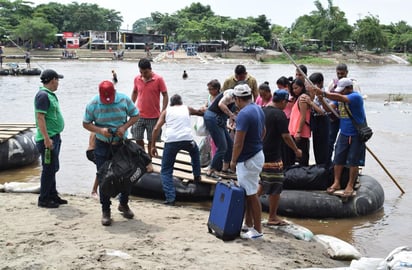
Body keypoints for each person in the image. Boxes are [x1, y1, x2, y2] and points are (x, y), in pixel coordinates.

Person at [83, 80, 139, 226]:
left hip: (121, 145)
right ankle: (106, 211)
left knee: (127, 176)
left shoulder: (123, 99)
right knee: (104, 178)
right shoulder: (93, 104)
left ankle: (123, 204)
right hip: (102, 144)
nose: (108, 101)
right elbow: (86, 123)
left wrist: (124, 127)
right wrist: (100, 131)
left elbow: (136, 115)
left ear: (114, 92)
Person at [315, 78, 367, 197]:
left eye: (342, 90)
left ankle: (350, 184)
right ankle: (336, 182)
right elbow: (329, 109)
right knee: (338, 158)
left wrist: (323, 93)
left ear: (349, 88)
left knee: (353, 161)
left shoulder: (355, 97)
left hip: (355, 134)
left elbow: (340, 98)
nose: (340, 93)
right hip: (343, 133)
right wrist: (321, 99)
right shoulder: (340, 98)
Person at [150, 94, 203, 205]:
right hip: (187, 140)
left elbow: (156, 129)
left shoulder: (166, 111)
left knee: (166, 171)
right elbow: (200, 113)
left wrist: (153, 146)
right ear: (181, 102)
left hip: (171, 142)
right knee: (195, 152)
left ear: (171, 103)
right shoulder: (186, 108)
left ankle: (170, 199)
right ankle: (197, 175)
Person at [259, 89, 302, 226]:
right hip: (272, 156)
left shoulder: (262, 111)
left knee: (262, 183)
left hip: (260, 153)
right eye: (286, 103)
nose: (286, 105)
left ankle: (247, 207)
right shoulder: (279, 115)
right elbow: (285, 136)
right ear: (283, 101)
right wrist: (296, 150)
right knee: (276, 186)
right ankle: (272, 217)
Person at [230, 84, 265, 239]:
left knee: (251, 194)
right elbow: (263, 131)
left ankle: (257, 230)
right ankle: (249, 224)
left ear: (237, 99)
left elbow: (238, 142)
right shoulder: (258, 108)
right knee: (250, 191)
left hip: (248, 158)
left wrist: (233, 160)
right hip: (257, 153)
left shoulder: (243, 114)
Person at [34, 69, 66, 208]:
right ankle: (44, 198)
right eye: (57, 80)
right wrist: (46, 139)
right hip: (48, 139)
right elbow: (40, 118)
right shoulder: (43, 96)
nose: (58, 83)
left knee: (53, 167)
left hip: (54, 136)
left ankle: (52, 194)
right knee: (48, 169)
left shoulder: (49, 95)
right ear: (53, 80)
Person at [131, 58, 168, 160]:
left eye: (145, 72)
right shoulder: (137, 79)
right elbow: (134, 92)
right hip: (139, 115)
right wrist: (130, 106)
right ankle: (143, 157)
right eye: (141, 72)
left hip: (154, 116)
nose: (143, 74)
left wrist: (163, 111)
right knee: (137, 137)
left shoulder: (158, 79)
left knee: (152, 140)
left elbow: (165, 95)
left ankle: (150, 158)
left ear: (150, 69)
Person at [326, 63, 361, 163]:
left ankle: (348, 165)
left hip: (349, 119)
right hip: (335, 116)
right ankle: (328, 163)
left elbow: (355, 101)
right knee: (330, 141)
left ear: (347, 73)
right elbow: (329, 101)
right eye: (338, 73)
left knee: (350, 146)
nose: (340, 75)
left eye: (342, 73)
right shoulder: (332, 84)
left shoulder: (353, 86)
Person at [203, 86, 236, 177]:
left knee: (230, 145)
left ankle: (225, 169)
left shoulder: (237, 100)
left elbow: (231, 115)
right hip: (213, 118)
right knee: (222, 147)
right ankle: (211, 170)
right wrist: (232, 115)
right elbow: (221, 105)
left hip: (219, 119)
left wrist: (231, 121)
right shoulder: (230, 93)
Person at [304, 72, 331, 166]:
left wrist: (311, 103)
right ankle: (319, 165)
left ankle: (324, 167)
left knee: (323, 145)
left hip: (323, 121)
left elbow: (324, 112)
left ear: (320, 83)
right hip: (315, 120)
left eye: (314, 84)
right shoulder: (313, 93)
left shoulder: (325, 93)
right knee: (316, 145)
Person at [288, 78, 311, 166]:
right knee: (297, 156)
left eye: (296, 88)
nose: (294, 90)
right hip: (295, 131)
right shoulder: (298, 98)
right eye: (293, 88)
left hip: (301, 132)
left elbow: (303, 116)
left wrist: (299, 131)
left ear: (302, 87)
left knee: (302, 156)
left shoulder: (303, 98)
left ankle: (303, 175)